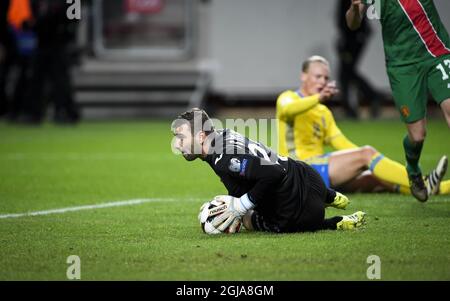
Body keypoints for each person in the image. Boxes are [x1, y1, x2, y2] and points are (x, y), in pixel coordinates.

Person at [276, 55, 449, 199]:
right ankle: (422, 181)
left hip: (318, 173)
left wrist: (369, 161)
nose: (322, 81)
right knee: (366, 154)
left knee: (375, 177)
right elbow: (287, 109)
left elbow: (343, 145)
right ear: (303, 76)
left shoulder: (323, 113)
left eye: (326, 78)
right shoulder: (289, 98)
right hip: (296, 171)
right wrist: (365, 156)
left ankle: (439, 188)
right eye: (317, 76)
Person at [171, 108, 366, 234]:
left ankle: (332, 223)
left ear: (201, 136)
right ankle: (329, 196)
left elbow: (274, 173)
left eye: (181, 138)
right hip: (310, 177)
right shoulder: (225, 135)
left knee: (246, 218)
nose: (177, 144)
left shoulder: (224, 159)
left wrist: (239, 206)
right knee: (240, 194)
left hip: (299, 214)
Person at [346, 0, 450, 201]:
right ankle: (413, 171)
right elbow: (352, 23)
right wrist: (355, 8)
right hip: (402, 66)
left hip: (436, 52)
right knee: (417, 135)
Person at [336, 0, 380, 119]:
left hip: (353, 39)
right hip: (349, 38)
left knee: (346, 72)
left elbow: (354, 18)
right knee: (346, 73)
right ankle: (352, 108)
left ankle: (371, 96)